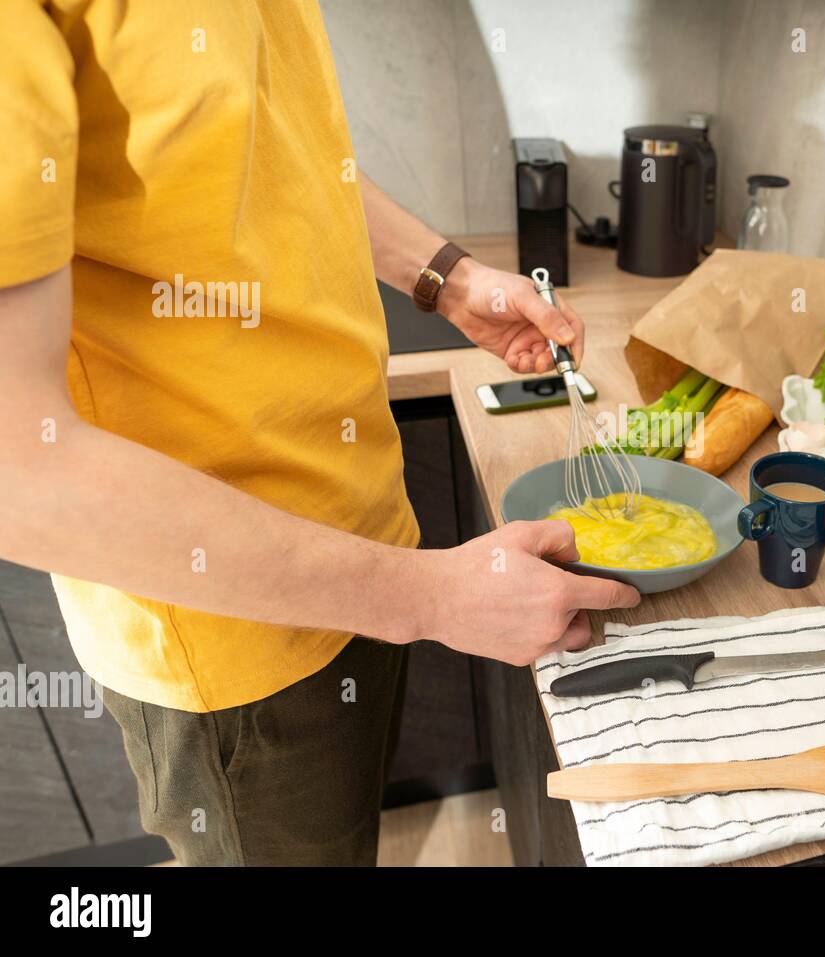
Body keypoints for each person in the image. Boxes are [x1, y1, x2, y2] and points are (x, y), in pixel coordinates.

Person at [0, 0, 639, 865]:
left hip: (361, 555)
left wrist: (446, 278)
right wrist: (435, 598)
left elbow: (273, 152)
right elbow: (21, 474)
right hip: (236, 638)